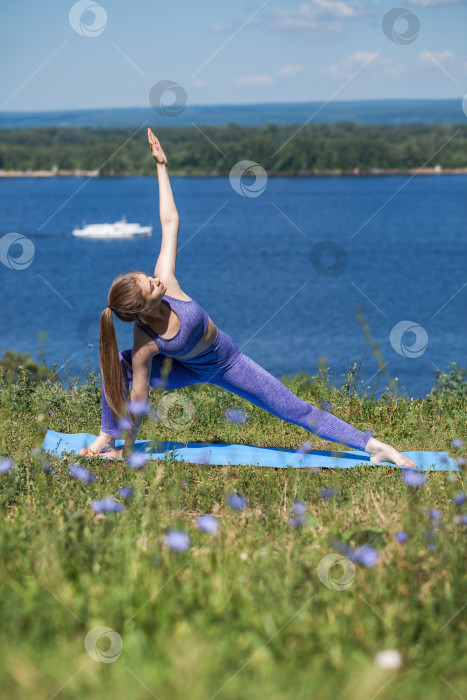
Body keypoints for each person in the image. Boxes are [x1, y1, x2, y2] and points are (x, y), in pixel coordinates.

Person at [80, 128, 415, 468]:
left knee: (293, 408)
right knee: (118, 365)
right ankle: (107, 435)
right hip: (184, 369)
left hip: (227, 361)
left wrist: (161, 166)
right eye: (150, 285)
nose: (155, 279)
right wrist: (130, 448)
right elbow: (139, 397)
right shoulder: (145, 341)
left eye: (148, 276)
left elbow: (170, 221)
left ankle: (372, 445)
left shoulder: (167, 283)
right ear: (143, 309)